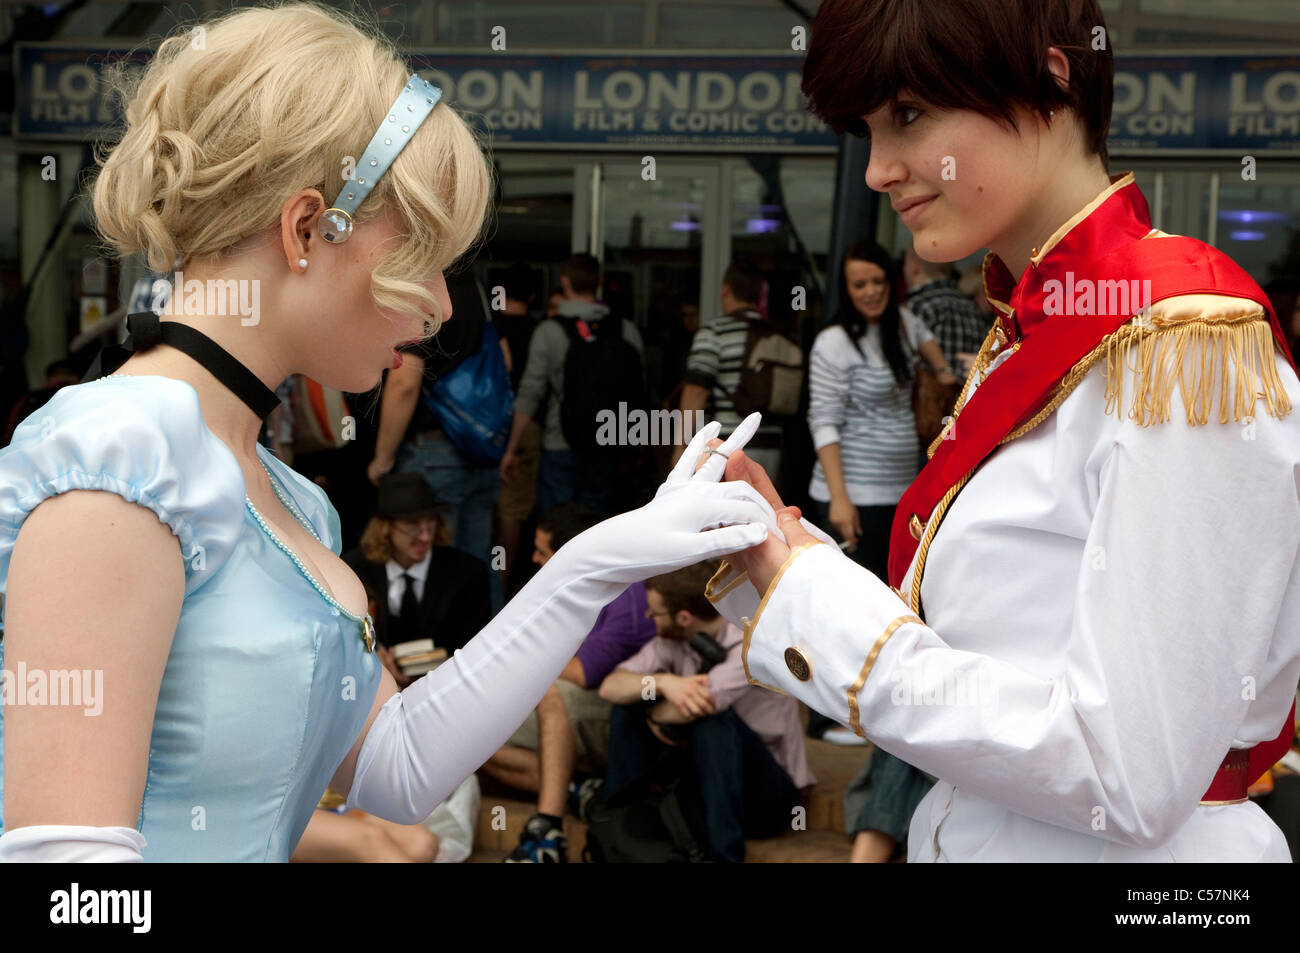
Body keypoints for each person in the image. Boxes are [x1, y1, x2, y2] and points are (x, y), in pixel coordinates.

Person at [0, 3, 779, 863]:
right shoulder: (117, 467)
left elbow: (397, 765)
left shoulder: (283, 492)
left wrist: (600, 562)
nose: (445, 304)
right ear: (306, 230)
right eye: (425, 254)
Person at [699, 0, 1300, 863]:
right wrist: (786, 559)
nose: (878, 169)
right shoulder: (1032, 328)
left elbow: (1124, 774)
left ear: (1051, 81)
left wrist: (813, 603)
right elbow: (990, 654)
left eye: (907, 115)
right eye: (867, 129)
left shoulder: (1182, 342)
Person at [598, 561, 815, 863]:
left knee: (712, 722)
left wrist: (654, 714)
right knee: (627, 707)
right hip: (711, 790)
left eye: (655, 613)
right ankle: (616, 828)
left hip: (768, 796)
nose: (649, 618)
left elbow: (701, 705)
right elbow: (611, 687)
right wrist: (664, 682)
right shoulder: (669, 643)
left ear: (684, 617)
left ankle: (724, 857)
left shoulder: (751, 645)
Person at [807, 240, 956, 578]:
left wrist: (944, 373)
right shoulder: (833, 342)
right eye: (859, 285)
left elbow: (933, 353)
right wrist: (839, 498)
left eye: (878, 282)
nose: (871, 292)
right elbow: (823, 422)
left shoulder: (903, 322)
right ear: (846, 290)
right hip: (856, 496)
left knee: (895, 589)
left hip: (904, 489)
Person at [499, 253, 646, 518]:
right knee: (596, 524)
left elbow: (531, 392)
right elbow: (637, 389)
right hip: (609, 439)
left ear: (564, 283)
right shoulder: (626, 330)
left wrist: (511, 447)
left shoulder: (549, 331)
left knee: (556, 525)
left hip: (560, 441)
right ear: (599, 282)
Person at [342, 472, 490, 655]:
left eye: (431, 523)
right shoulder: (353, 570)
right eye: (412, 524)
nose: (426, 536)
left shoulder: (469, 573)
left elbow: (476, 648)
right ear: (385, 526)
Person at [671, 259, 785, 479]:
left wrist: (680, 447)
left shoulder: (714, 333)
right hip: (772, 447)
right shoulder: (778, 336)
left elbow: (696, 391)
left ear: (726, 290)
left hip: (725, 446)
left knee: (723, 512)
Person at [902, 248, 990, 381]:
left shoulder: (914, 308)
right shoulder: (974, 308)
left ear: (914, 266)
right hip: (969, 397)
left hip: (929, 398)